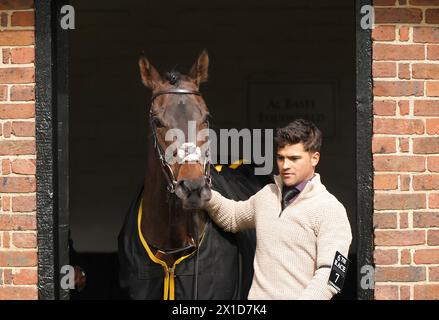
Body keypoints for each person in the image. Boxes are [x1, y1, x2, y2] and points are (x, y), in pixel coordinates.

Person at [203, 118, 352, 300]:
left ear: (315, 158)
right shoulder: (267, 195)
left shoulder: (330, 209)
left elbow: (331, 275)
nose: (285, 165)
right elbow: (233, 217)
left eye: (294, 158)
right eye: (281, 158)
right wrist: (204, 194)